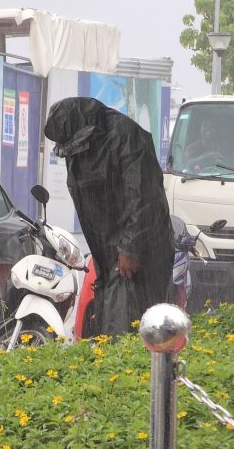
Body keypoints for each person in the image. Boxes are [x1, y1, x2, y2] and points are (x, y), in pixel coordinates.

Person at [44, 97, 174, 337]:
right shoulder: (78, 148)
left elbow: (143, 199)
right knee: (111, 324)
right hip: (109, 251)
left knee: (128, 327)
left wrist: (130, 248)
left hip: (139, 250)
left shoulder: (127, 138)